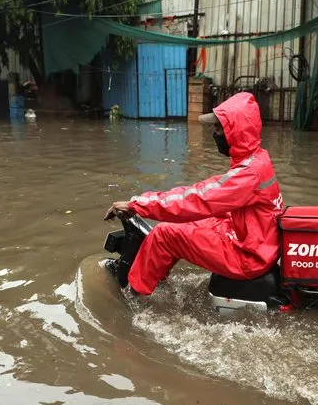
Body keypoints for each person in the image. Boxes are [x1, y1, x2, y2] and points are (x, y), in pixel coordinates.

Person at [104, 92, 283, 297]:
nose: (214, 134)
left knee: (165, 234)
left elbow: (196, 198)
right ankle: (152, 274)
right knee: (185, 223)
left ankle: (132, 295)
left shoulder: (248, 174)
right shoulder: (257, 159)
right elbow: (203, 195)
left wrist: (137, 204)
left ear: (235, 131)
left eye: (218, 128)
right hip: (256, 242)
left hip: (249, 256)